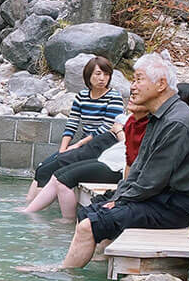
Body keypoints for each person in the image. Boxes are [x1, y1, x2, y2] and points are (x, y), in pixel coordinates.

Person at [21, 53, 189, 272]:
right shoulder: (161, 117)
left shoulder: (177, 122)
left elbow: (153, 178)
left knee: (90, 224)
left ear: (161, 84)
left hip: (171, 206)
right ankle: (94, 259)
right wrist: (120, 197)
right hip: (157, 198)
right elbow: (139, 168)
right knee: (91, 210)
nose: (133, 86)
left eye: (139, 79)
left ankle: (63, 273)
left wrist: (121, 201)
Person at [23, 55, 124, 204]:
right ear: (88, 76)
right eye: (98, 74)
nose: (103, 78)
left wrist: (77, 145)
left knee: (52, 168)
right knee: (42, 167)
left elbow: (107, 127)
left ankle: (33, 209)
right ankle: (28, 202)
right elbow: (72, 124)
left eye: (106, 74)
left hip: (102, 145)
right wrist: (63, 149)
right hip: (83, 145)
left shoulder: (114, 97)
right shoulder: (82, 96)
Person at [22, 103, 145, 220]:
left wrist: (118, 130)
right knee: (52, 173)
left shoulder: (147, 122)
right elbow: (72, 123)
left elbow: (130, 147)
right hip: (106, 158)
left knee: (63, 181)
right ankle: (29, 210)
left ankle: (67, 221)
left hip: (116, 166)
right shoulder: (133, 118)